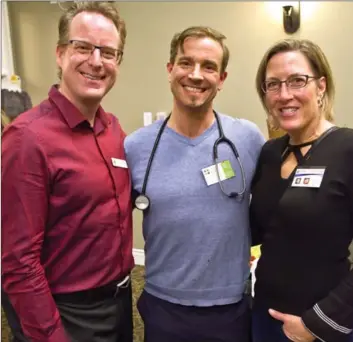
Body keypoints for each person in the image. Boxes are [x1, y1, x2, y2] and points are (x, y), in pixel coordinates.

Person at [1, 2, 134, 342]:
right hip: (66, 313)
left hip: (118, 302)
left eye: (108, 52)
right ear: (60, 54)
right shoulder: (27, 139)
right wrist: (50, 335)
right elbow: (17, 260)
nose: (96, 61)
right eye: (83, 47)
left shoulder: (113, 129)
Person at [124, 26, 265, 342]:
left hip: (231, 306)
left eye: (209, 66)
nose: (196, 75)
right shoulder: (136, 147)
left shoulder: (248, 139)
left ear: (222, 79)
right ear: (170, 69)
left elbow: (273, 206)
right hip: (164, 305)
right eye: (186, 63)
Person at [249, 38, 353, 342]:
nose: (284, 94)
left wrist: (316, 324)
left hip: (318, 327)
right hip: (262, 316)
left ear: (321, 86)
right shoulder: (270, 153)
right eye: (273, 85)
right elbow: (260, 231)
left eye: (297, 81)